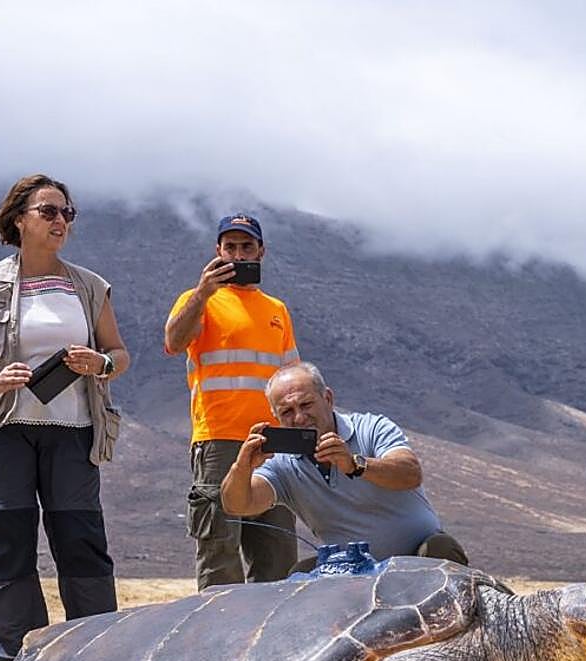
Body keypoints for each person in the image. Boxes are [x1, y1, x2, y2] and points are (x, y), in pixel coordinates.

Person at [0, 174, 129, 661]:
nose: (61, 220)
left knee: (82, 543)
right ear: (19, 219)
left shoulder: (88, 286)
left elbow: (119, 354)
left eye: (68, 212)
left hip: (73, 431)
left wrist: (99, 364)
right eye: (49, 211)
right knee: (7, 545)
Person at [164, 213, 301, 590]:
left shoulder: (277, 310)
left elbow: (293, 379)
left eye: (246, 247)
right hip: (219, 440)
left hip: (273, 444)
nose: (238, 256)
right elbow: (174, 342)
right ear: (218, 251)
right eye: (230, 247)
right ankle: (216, 640)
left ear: (261, 251)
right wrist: (202, 292)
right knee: (219, 549)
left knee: (277, 553)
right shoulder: (198, 301)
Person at [220, 362, 469, 567]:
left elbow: (409, 473)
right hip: (348, 570)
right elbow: (238, 505)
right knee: (300, 574)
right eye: (286, 411)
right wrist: (242, 467)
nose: (298, 417)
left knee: (440, 549)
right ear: (275, 416)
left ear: (327, 398)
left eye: (306, 405)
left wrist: (355, 465)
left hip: (416, 558)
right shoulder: (281, 463)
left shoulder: (371, 428)